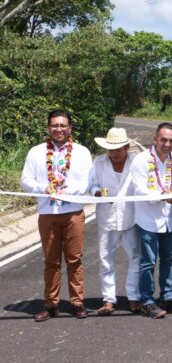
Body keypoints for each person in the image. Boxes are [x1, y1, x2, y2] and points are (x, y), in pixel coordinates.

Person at [20, 109, 92, 321]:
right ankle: (51, 304)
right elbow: (25, 180)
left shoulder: (81, 152)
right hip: (48, 212)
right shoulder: (36, 152)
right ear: (48, 127)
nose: (59, 129)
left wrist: (70, 191)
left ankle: (77, 302)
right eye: (55, 125)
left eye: (63, 125)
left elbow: (88, 182)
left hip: (73, 213)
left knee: (75, 259)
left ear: (69, 128)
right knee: (51, 261)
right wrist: (43, 188)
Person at [131, 122, 172, 319]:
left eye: (171, 141)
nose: (167, 144)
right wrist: (164, 195)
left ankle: (167, 296)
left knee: (168, 259)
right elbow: (139, 189)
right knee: (148, 261)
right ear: (155, 138)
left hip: (170, 219)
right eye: (163, 140)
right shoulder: (141, 160)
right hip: (148, 219)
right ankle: (146, 300)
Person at [89, 128, 141, 316]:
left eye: (118, 149)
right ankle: (108, 299)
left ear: (127, 147)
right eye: (111, 149)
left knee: (136, 257)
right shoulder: (99, 163)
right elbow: (92, 184)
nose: (114, 153)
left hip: (131, 217)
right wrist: (97, 192)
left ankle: (134, 296)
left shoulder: (136, 163)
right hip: (107, 218)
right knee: (105, 260)